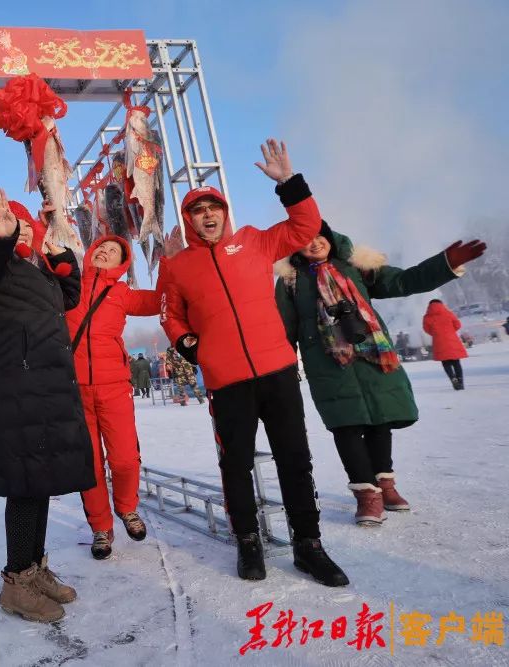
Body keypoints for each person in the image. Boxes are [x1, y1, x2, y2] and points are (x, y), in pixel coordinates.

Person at [159, 138, 348, 587]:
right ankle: (248, 542)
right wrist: (192, 346)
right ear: (189, 220)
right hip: (227, 382)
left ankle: (309, 545)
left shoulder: (255, 242)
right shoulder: (178, 265)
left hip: (277, 370)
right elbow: (170, 313)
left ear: (224, 212)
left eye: (214, 207)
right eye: (198, 210)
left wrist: (288, 183)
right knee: (236, 465)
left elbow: (305, 226)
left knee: (294, 459)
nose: (208, 215)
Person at [276, 224, 484, 525]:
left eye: (319, 235)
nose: (315, 243)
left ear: (330, 237)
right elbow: (283, 327)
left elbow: (402, 281)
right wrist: (283, 369)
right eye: (305, 239)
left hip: (373, 354)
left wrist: (445, 265)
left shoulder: (356, 265)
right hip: (327, 361)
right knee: (346, 426)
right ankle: (367, 495)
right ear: (295, 245)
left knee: (380, 420)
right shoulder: (290, 280)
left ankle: (385, 485)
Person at [0, 188, 92, 623]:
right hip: (15, 390)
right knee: (24, 485)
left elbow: (69, 297)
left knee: (40, 482)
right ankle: (16, 581)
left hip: (45, 389)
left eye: (27, 226)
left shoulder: (36, 272)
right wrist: (0, 236)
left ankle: (34, 569)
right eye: (17, 226)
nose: (25, 232)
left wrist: (59, 254)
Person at [66, 235, 160, 559]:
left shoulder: (121, 293)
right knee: (89, 465)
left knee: (125, 459)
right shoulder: (69, 287)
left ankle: (126, 507)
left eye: (114, 252)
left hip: (114, 387)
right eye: (101, 248)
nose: (105, 252)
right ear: (90, 253)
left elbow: (159, 300)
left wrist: (169, 261)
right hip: (75, 390)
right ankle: (101, 528)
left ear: (122, 264)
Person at [423, 299, 471, 390]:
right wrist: (450, 331)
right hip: (452, 340)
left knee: (445, 362)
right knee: (456, 362)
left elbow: (426, 329)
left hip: (439, 342)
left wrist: (436, 334)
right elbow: (458, 325)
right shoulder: (448, 313)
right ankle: (460, 381)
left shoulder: (427, 317)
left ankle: (453, 378)